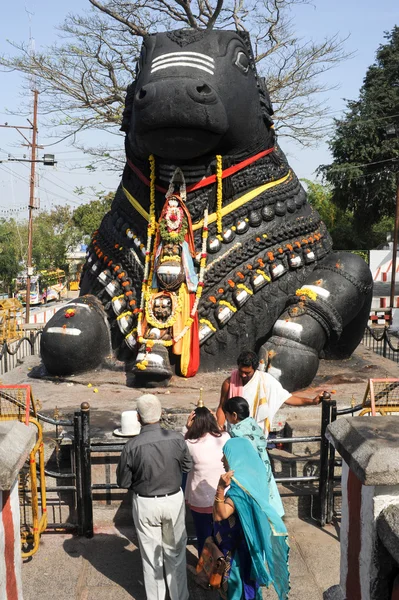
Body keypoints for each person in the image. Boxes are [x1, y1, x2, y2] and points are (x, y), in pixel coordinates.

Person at [116, 394, 192, 600]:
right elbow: (187, 466)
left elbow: (123, 482)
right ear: (161, 414)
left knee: (151, 558)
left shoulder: (131, 446)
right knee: (175, 554)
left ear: (139, 418)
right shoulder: (177, 439)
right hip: (174, 499)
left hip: (146, 502)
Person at [213, 437, 290, 600]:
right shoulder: (255, 480)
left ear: (236, 458)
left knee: (238, 589)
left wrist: (220, 488)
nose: (222, 459)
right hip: (253, 546)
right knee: (250, 588)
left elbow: (220, 514)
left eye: (225, 455)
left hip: (238, 553)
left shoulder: (239, 491)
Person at [217, 349, 323, 432]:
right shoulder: (229, 383)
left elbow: (288, 398)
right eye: (241, 371)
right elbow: (222, 407)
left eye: (247, 373)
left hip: (256, 434)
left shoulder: (266, 380)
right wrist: (220, 427)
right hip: (234, 434)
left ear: (255, 369)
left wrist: (312, 401)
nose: (243, 375)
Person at [223, 395, 284, 518]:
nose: (226, 418)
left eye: (227, 415)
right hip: (264, 464)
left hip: (251, 472)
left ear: (234, 415)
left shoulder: (237, 432)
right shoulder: (252, 423)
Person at [184, 404, 230, 556]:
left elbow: (182, 446)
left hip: (199, 499)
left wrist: (186, 428)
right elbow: (222, 432)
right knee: (223, 535)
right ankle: (224, 569)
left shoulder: (190, 443)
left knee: (203, 537)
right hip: (223, 497)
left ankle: (205, 569)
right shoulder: (225, 438)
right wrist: (216, 422)